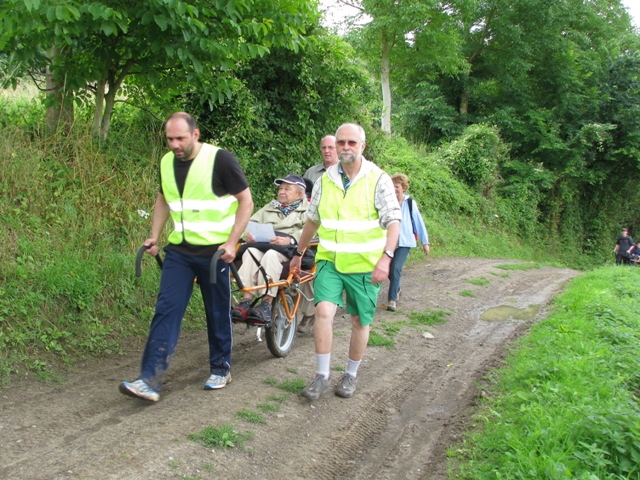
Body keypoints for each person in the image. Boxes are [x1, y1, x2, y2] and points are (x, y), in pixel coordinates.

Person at [119, 112, 253, 402]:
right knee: (166, 309)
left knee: (216, 312)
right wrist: (155, 234)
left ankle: (221, 368)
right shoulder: (167, 162)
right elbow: (164, 197)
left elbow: (246, 200)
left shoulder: (221, 159)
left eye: (180, 138)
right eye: (170, 139)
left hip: (216, 252)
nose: (175, 145)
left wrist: (232, 243)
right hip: (180, 250)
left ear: (195, 134)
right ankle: (149, 380)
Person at [291, 123, 401, 400]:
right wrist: (299, 251)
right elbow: (313, 219)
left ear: (362, 146)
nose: (345, 148)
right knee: (324, 312)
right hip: (330, 260)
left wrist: (386, 259)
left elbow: (393, 221)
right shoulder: (325, 179)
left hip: (365, 265)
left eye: (352, 143)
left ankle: (350, 375)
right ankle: (322, 376)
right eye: (341, 143)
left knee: (358, 321)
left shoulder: (378, 179)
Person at [232, 174, 315, 324]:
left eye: (287, 189)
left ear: (299, 194)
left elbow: (312, 230)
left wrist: (290, 239)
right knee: (250, 252)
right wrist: (247, 235)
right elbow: (249, 223)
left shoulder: (308, 210)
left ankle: (266, 303)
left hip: (289, 249)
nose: (281, 191)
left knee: (271, 255)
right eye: (281, 188)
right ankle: (246, 300)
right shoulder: (270, 207)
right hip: (263, 243)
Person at [297, 135, 339, 333]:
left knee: (325, 271)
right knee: (309, 269)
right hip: (312, 226)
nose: (327, 151)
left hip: (336, 230)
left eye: (331, 147)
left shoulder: (345, 172)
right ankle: (308, 311)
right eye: (324, 147)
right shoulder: (311, 172)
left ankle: (316, 311)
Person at [386, 173, 430, 312]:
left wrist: (425, 242)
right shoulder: (388, 202)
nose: (394, 189)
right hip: (389, 241)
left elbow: (418, 222)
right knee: (388, 269)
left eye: (397, 186)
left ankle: (392, 300)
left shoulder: (410, 202)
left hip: (405, 241)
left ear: (403, 188)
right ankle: (397, 287)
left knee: (396, 268)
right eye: (392, 186)